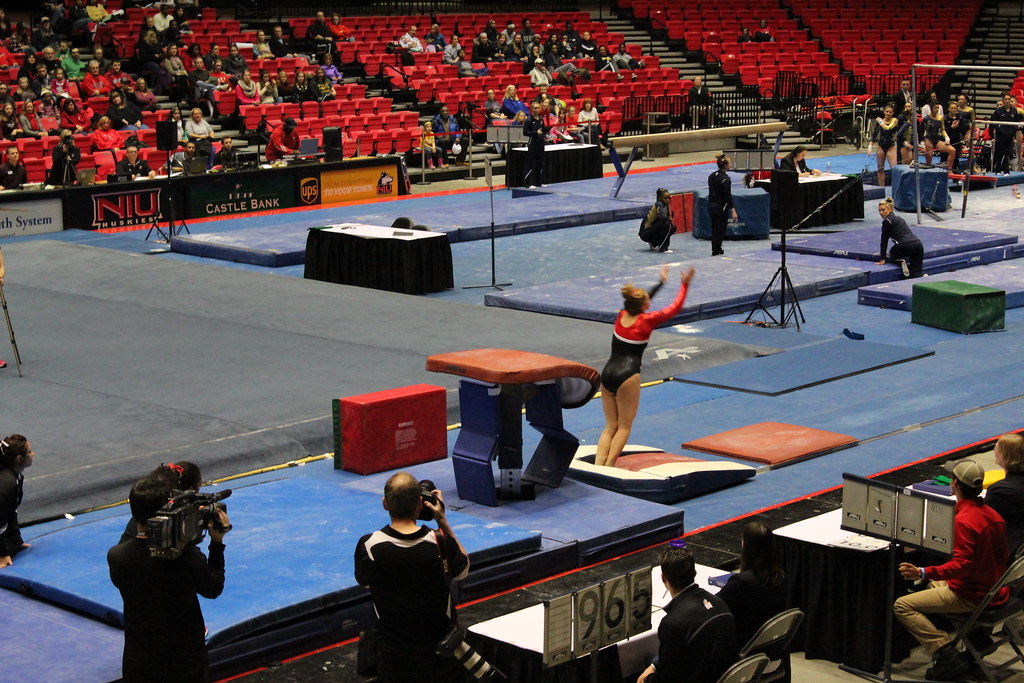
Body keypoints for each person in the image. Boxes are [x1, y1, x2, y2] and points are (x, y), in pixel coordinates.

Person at [108, 474, 229, 683]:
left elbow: (135, 545)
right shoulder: (185, 556)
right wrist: (217, 543)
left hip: (140, 663)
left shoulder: (117, 557)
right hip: (184, 663)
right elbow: (213, 588)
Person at [895, 460, 1009, 681]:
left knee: (902, 605)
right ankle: (977, 638)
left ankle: (945, 652)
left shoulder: (965, 521)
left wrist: (922, 572)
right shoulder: (993, 515)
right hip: (994, 586)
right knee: (932, 585)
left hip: (972, 593)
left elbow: (960, 566)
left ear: (955, 484)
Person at [354, 472, 469, 683]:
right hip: (438, 654)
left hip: (393, 657)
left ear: (385, 504)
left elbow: (365, 583)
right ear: (421, 503)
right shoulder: (440, 542)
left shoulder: (369, 546)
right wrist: (442, 520)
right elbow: (463, 570)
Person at [596, 267, 695, 467]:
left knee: (610, 427)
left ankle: (598, 465)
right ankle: (608, 467)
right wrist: (684, 284)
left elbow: (641, 298)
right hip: (628, 376)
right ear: (644, 305)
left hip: (607, 375)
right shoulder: (647, 321)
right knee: (624, 427)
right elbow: (675, 308)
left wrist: (661, 282)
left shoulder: (621, 314)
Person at [637, 543, 738, 682]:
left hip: (703, 674)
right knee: (654, 661)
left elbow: (668, 677)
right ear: (695, 573)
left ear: (663, 579)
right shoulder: (719, 603)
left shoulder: (672, 623)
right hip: (728, 676)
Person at [718, 522, 788, 648]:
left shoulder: (741, 583)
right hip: (772, 647)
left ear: (745, 545)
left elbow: (714, 605)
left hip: (746, 651)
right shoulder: (780, 577)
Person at [985, 434, 1024, 556]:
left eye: (996, 449)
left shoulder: (1001, 490)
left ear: (1006, 456)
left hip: (1009, 547)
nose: (994, 452)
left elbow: (980, 517)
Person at [0, 435, 33, 566]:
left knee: (13, 548)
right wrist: (2, 554)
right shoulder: (7, 484)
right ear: (19, 458)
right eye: (29, 452)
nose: (33, 454)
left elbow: (10, 510)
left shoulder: (16, 476)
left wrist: (17, 541)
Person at [875, 197, 923, 278]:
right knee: (916, 273)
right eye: (879, 210)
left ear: (890, 209)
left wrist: (883, 258)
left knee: (892, 252)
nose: (881, 212)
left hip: (904, 245)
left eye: (883, 210)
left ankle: (901, 261)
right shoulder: (899, 219)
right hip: (918, 245)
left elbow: (884, 240)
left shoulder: (887, 221)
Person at [708, 154, 738, 256]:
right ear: (725, 165)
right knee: (720, 230)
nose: (731, 164)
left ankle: (716, 248)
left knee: (714, 229)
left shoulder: (711, 176)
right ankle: (716, 251)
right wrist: (733, 211)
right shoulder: (726, 179)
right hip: (721, 208)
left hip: (711, 206)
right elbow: (727, 197)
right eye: (729, 162)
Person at [990, 93, 1023, 174]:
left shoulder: (1014, 111)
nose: (1007, 101)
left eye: (1009, 99)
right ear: (1003, 101)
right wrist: (997, 133)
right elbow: (993, 123)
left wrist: (1013, 134)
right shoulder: (998, 111)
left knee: (1006, 153)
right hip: (1000, 135)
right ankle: (1004, 170)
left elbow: (1016, 123)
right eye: (1006, 99)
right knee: (1001, 152)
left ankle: (999, 169)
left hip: (1010, 136)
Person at [868, 105, 900, 186]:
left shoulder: (895, 120)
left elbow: (888, 128)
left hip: (891, 146)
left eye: (890, 112)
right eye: (887, 111)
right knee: (880, 168)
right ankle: (881, 187)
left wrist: (881, 122)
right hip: (881, 145)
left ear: (893, 113)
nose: (888, 113)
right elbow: (874, 135)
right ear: (884, 112)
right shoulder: (880, 122)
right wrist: (870, 146)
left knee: (894, 168)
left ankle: (896, 187)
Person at [639, 188, 674, 252]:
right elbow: (662, 217)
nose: (668, 200)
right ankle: (663, 248)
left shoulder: (662, 205)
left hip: (646, 232)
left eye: (669, 198)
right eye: (665, 198)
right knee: (667, 225)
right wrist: (669, 219)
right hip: (645, 233)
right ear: (659, 198)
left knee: (673, 227)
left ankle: (654, 243)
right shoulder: (659, 204)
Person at [523, 101, 548, 188]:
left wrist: (546, 132)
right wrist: (535, 132)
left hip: (541, 143)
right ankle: (527, 183)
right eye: (535, 108)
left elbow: (543, 129)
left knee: (540, 163)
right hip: (533, 143)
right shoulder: (529, 120)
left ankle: (538, 182)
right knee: (530, 163)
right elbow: (525, 132)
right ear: (531, 109)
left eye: (538, 108)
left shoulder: (541, 119)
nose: (537, 110)